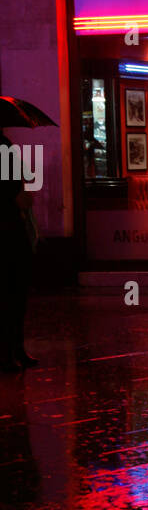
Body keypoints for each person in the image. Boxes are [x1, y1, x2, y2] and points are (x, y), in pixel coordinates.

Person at [0, 131, 36, 371]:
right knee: (13, 295)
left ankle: (12, 350)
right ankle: (11, 351)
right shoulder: (4, 145)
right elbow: (17, 181)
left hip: (10, 227)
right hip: (8, 228)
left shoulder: (4, 145)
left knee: (10, 294)